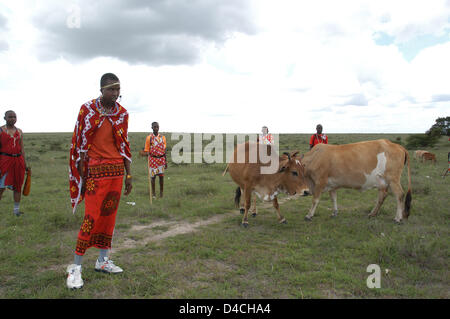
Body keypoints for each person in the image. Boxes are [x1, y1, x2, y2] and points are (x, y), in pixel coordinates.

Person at [66, 73, 132, 289]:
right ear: (101, 90)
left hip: (116, 171)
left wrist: (128, 175)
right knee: (91, 218)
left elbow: (124, 144)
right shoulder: (87, 110)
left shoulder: (122, 114)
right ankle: (75, 268)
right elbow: (80, 143)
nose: (114, 94)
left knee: (109, 218)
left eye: (117, 90)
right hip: (95, 171)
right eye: (110, 89)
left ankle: (103, 261)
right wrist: (82, 176)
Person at [0, 110, 29, 216]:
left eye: (14, 117)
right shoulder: (1, 131)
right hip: (5, 161)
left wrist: (25, 164)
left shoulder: (19, 131)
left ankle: (16, 211)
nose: (12, 119)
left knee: (18, 186)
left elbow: (22, 149)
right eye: (10, 117)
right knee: (1, 186)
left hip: (18, 161)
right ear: (5, 118)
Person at [141, 122, 167, 198]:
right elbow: (146, 150)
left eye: (157, 127)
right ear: (152, 128)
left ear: (159, 127)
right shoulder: (149, 137)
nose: (156, 128)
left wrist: (166, 161)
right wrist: (147, 156)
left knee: (161, 177)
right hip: (152, 159)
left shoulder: (163, 137)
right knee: (153, 177)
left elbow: (164, 150)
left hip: (161, 159)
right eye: (154, 127)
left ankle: (161, 194)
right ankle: (153, 194)